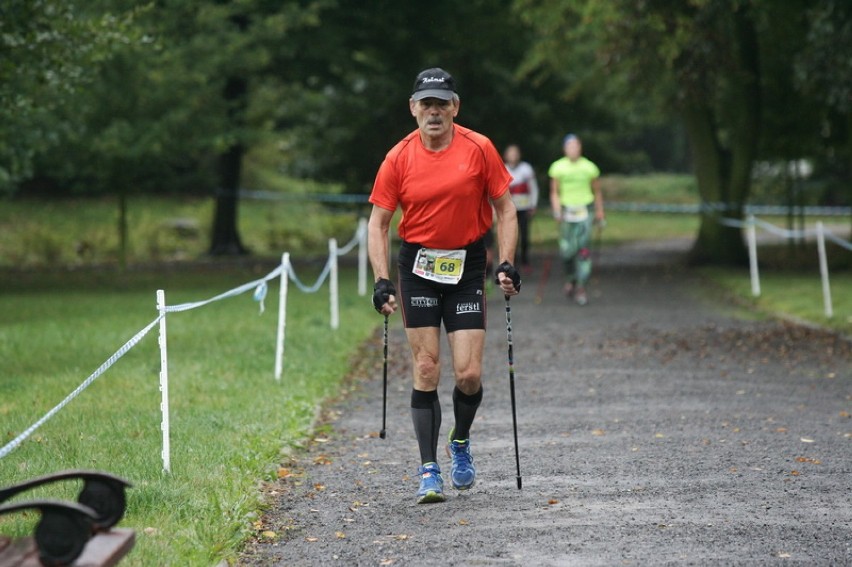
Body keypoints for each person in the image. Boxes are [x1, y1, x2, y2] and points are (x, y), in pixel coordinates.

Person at [367, 67, 521, 504]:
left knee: (469, 375)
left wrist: (506, 261)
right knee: (428, 367)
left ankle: (459, 441)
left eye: (442, 103)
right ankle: (428, 469)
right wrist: (381, 281)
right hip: (417, 266)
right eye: (426, 104)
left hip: (467, 266)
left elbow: (506, 210)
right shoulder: (398, 157)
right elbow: (378, 224)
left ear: (455, 107)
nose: (434, 111)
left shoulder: (479, 148)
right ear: (413, 109)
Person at [548, 133, 605, 306]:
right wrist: (557, 210)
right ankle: (570, 278)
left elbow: (597, 191)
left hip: (584, 211)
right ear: (565, 149)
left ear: (580, 147)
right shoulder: (557, 167)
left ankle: (581, 286)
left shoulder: (590, 167)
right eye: (569, 146)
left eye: (576, 146)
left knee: (583, 251)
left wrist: (600, 212)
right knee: (567, 251)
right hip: (567, 211)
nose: (573, 149)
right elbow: (554, 192)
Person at [503, 144, 539, 269]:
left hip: (524, 208)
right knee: (511, 236)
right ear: (506, 156)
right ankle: (513, 261)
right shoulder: (503, 169)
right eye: (510, 153)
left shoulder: (526, 169)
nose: (513, 156)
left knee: (524, 235)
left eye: (515, 153)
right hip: (509, 209)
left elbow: (533, 188)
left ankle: (525, 260)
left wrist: (533, 205)